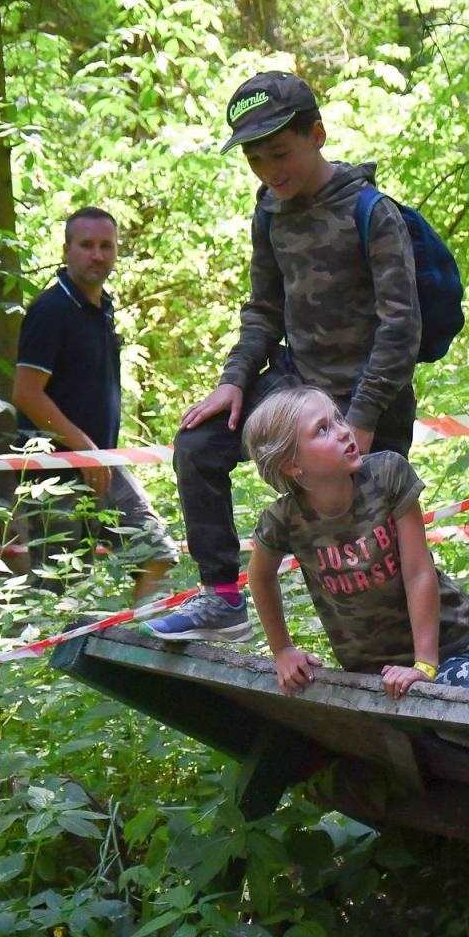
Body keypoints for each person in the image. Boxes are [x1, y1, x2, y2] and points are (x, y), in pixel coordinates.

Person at [143, 70, 421, 643]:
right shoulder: (269, 212)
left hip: (370, 400)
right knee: (198, 444)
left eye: (279, 153)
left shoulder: (371, 212)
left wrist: (363, 418)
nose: (271, 171)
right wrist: (234, 380)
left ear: (316, 135)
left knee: (372, 554)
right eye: (255, 159)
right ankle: (222, 599)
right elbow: (264, 310)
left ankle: (426, 658)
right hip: (296, 387)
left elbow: (401, 329)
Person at [237, 386, 469, 696]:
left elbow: (418, 571)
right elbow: (260, 576)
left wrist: (424, 664)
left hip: (463, 630)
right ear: (291, 464)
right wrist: (283, 650)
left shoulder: (387, 474)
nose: (343, 432)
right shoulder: (284, 520)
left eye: (338, 419)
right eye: (322, 430)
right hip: (386, 669)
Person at [11, 207, 178, 601]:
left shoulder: (102, 309)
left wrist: (94, 454)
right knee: (62, 591)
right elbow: (26, 392)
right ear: (67, 249)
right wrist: (82, 449)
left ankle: (141, 650)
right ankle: (43, 659)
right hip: (54, 473)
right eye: (86, 245)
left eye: (106, 246)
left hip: (100, 463)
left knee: (155, 554)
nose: (97, 255)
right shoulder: (50, 310)